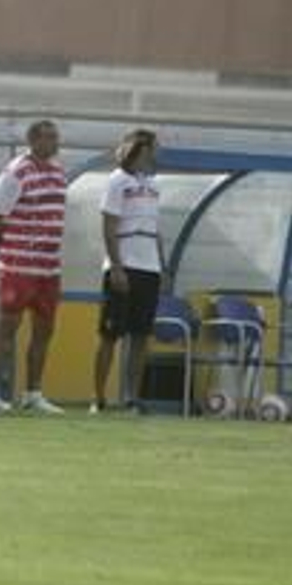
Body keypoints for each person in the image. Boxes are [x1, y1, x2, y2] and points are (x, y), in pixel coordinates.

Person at [0, 120, 68, 414]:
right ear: (33, 140)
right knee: (7, 326)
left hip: (48, 267)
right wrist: (7, 253)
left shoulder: (58, 170)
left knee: (44, 330)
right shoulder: (16, 172)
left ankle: (33, 393)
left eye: (56, 137)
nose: (55, 142)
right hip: (20, 265)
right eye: (49, 137)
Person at [92, 129, 164, 414]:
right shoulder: (116, 181)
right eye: (153, 148)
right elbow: (109, 226)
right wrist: (117, 266)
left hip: (149, 267)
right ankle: (98, 398)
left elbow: (156, 227)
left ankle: (131, 397)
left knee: (141, 335)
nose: (156, 153)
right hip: (125, 264)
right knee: (111, 334)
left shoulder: (156, 184)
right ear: (141, 148)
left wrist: (162, 263)